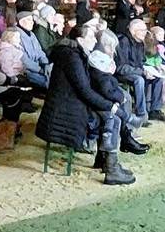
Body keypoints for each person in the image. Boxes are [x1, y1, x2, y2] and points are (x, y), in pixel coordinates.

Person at [36, 24, 134, 186]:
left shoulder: (75, 53)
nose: (95, 40)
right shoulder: (72, 57)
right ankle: (111, 169)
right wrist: (111, 106)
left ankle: (105, 161)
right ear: (80, 40)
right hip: (67, 111)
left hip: (70, 104)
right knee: (112, 117)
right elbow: (85, 91)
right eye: (91, 37)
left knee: (111, 117)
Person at [116, 19, 165, 123]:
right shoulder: (123, 41)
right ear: (134, 31)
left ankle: (154, 110)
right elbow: (121, 67)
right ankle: (141, 114)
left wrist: (154, 67)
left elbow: (142, 61)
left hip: (136, 70)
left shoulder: (140, 42)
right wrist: (142, 72)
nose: (145, 33)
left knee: (158, 78)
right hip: (123, 72)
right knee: (139, 80)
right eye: (143, 30)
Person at [14, 10, 49, 90]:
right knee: (47, 82)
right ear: (21, 22)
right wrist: (40, 69)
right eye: (29, 20)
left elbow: (40, 52)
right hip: (25, 71)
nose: (32, 22)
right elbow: (23, 60)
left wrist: (45, 64)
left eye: (32, 20)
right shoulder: (16, 35)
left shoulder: (32, 34)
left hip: (38, 68)